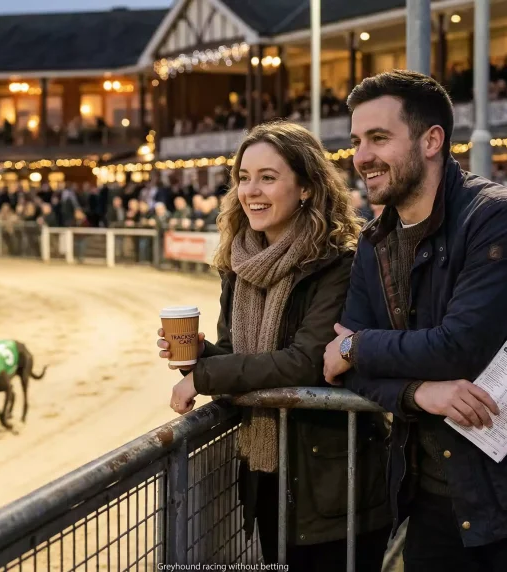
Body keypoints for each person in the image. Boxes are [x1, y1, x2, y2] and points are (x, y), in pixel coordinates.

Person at [322, 71, 507, 572]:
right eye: (357, 141)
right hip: (435, 495)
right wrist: (418, 393)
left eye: (379, 138)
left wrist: (356, 347)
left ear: (432, 140)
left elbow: (459, 347)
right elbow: (356, 374)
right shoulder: (374, 242)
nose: (362, 156)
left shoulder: (498, 217)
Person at [155, 121, 393, 570]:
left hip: (334, 486)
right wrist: (200, 355)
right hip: (268, 480)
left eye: (268, 177)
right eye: (244, 177)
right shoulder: (237, 264)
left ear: (305, 187)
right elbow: (241, 355)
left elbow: (304, 363)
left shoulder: (338, 262)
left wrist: (204, 376)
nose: (251, 190)